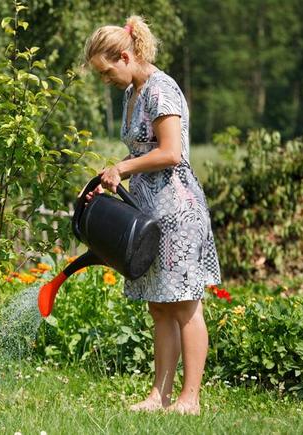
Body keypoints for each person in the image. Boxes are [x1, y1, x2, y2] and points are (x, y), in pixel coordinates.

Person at [81, 16, 221, 415]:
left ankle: (189, 399)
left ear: (125, 56)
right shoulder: (133, 92)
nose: (106, 81)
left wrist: (123, 169)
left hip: (176, 210)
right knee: (159, 304)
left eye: (107, 72)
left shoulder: (160, 90)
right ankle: (159, 396)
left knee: (183, 304)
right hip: (147, 210)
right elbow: (142, 151)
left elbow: (171, 152)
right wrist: (108, 175)